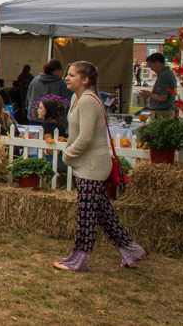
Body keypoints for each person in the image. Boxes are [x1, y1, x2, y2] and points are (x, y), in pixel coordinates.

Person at [55, 61, 145, 271]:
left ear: (85, 80)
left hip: (93, 165)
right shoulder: (76, 98)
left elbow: (85, 138)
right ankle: (131, 250)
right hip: (87, 163)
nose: (67, 78)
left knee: (86, 215)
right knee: (104, 213)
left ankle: (80, 259)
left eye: (72, 75)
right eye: (67, 74)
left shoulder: (88, 101)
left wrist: (68, 156)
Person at [137, 52, 176, 120]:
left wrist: (148, 94)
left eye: (151, 66)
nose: (151, 69)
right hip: (164, 112)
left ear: (157, 63)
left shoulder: (164, 75)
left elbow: (162, 97)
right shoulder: (167, 73)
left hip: (162, 114)